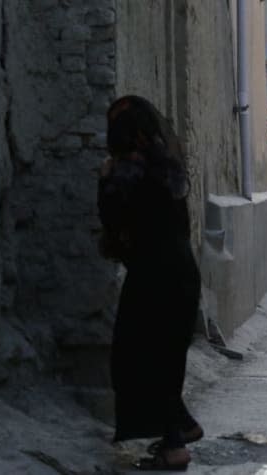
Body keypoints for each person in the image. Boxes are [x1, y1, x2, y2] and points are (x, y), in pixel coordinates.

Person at [98, 95, 203, 471]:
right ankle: (184, 426)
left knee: (138, 359)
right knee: (166, 356)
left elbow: (114, 228)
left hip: (153, 276)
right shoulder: (167, 166)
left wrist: (106, 180)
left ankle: (174, 447)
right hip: (182, 272)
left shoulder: (125, 174)